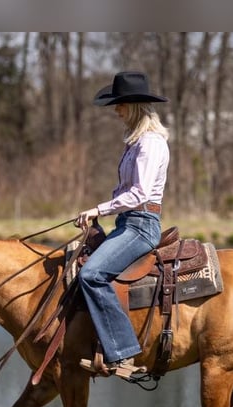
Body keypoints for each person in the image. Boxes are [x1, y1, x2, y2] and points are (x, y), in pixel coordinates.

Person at [75, 70, 170, 381]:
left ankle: (123, 352)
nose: (116, 112)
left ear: (135, 107)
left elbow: (140, 192)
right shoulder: (135, 143)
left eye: (120, 105)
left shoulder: (150, 144)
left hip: (141, 225)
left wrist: (97, 209)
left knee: (92, 274)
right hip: (127, 222)